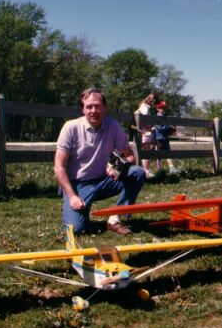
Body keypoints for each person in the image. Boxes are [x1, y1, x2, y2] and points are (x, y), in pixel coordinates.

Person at [54, 88, 146, 235]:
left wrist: (117, 167)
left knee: (138, 172)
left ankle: (115, 218)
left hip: (105, 180)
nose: (93, 110)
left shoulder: (114, 126)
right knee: (76, 229)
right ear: (82, 109)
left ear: (105, 108)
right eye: (89, 106)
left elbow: (130, 157)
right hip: (78, 185)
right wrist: (72, 196)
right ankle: (77, 207)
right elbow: (59, 167)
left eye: (97, 106)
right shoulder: (70, 128)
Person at [135, 92, 159, 178]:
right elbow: (144, 118)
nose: (154, 105)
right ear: (153, 100)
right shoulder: (146, 107)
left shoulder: (142, 105)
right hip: (146, 133)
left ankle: (143, 170)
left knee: (142, 152)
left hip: (143, 132)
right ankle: (146, 171)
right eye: (155, 102)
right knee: (146, 153)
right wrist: (150, 127)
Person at [153, 101, 178, 174]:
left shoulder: (165, 117)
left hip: (165, 137)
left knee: (168, 152)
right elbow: (161, 128)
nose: (163, 109)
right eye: (161, 108)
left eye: (164, 108)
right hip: (159, 138)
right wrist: (170, 127)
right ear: (158, 109)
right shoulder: (157, 117)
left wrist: (172, 129)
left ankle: (171, 168)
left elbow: (166, 127)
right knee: (159, 155)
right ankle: (159, 170)